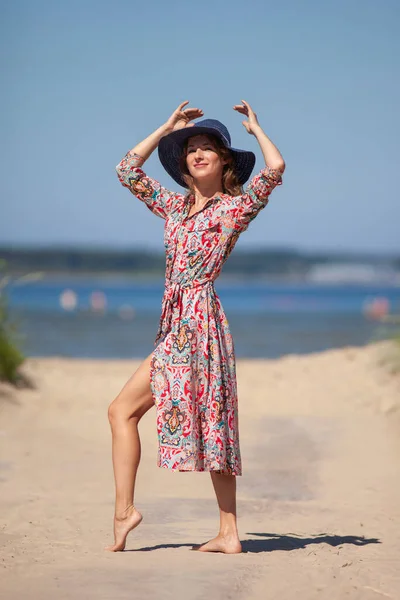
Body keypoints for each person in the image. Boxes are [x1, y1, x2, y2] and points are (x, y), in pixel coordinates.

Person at [107, 100, 285, 554]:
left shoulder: (234, 210)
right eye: (191, 148)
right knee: (212, 421)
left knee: (122, 410)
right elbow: (127, 170)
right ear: (184, 163)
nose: (198, 153)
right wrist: (166, 126)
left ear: (225, 160)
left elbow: (275, 168)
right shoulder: (174, 208)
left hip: (197, 324)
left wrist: (256, 130)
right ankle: (228, 533)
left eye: (208, 147)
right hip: (178, 327)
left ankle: (126, 511)